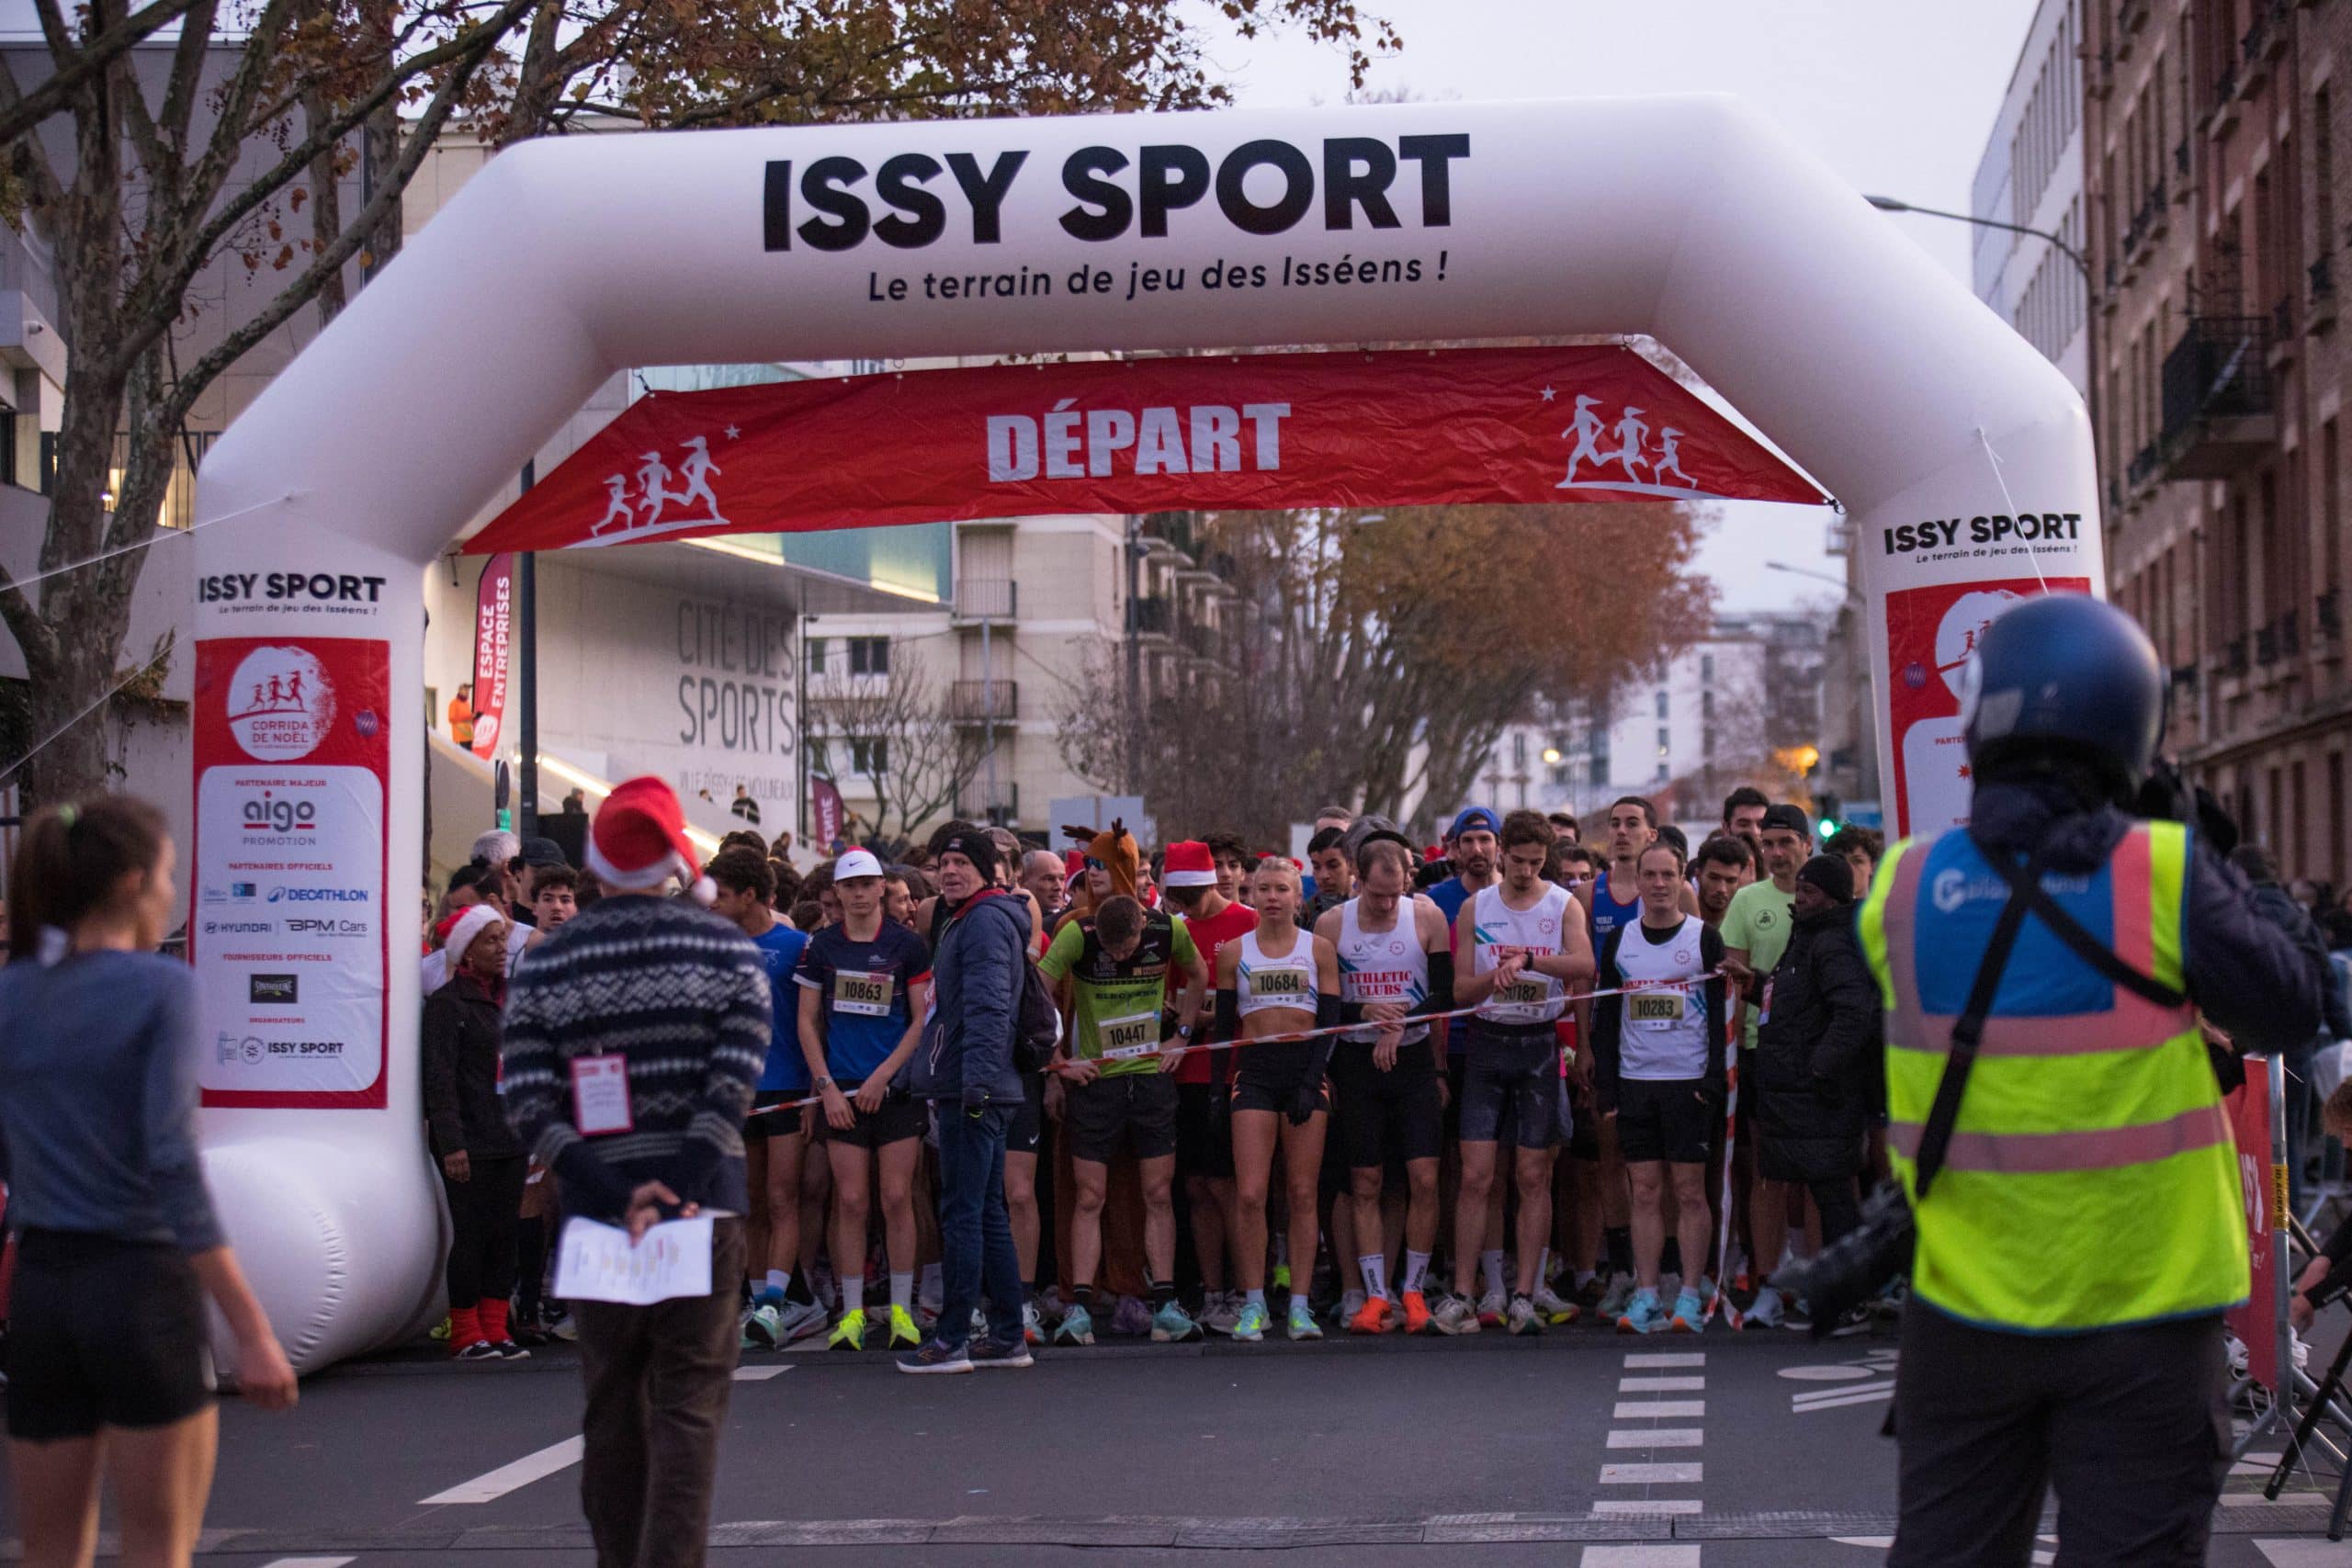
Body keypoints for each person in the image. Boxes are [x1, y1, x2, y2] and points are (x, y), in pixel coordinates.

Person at [1865, 594, 2318, 1568]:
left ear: (1978, 727)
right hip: (2145, 1325)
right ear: (2133, 730)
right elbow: (2290, 1002)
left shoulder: (1898, 889)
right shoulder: (2162, 873)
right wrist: (2214, 848)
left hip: (1961, 1318)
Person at [0, 799, 299, 1566]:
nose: (172, 890)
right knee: (157, 1545)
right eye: (169, 874)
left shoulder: (11, 994)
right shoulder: (161, 986)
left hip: (36, 1287)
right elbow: (170, 1160)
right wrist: (253, 1329)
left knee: (46, 1551)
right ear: (135, 882)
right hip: (137, 1284)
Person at [503, 776, 770, 1568]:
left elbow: (525, 1096)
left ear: (595, 862)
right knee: (688, 1407)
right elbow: (735, 1078)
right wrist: (682, 1182)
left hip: (596, 1210)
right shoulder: (726, 949)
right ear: (675, 858)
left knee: (612, 1405)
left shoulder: (548, 962)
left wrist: (610, 1185)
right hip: (701, 1207)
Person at [1438, 809, 1596, 1337]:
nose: (1526, 871)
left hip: (1538, 1046)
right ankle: (1465, 1291)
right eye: (1519, 860)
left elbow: (1585, 966)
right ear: (1502, 851)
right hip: (1488, 1043)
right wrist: (1493, 977)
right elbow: (1460, 991)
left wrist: (1529, 961)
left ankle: (1525, 1293)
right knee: (1477, 1176)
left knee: (1534, 1175)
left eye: (1536, 862)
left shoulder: (1562, 903)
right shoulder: (1475, 906)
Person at [1038, 892, 1207, 1344]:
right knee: (1089, 1196)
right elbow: (1035, 988)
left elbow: (1198, 973)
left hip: (1151, 1078)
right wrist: (1058, 1059)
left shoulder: (1168, 929)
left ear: (1142, 929)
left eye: (1127, 949)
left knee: (1157, 1192)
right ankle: (1078, 1309)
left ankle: (1167, 1306)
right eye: (1111, 952)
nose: (1118, 956)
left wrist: (1183, 1036)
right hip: (1097, 1083)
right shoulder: (1077, 934)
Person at [900, 826, 1035, 1373]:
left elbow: (987, 1010)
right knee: (985, 1211)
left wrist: (975, 1086)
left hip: (974, 1088)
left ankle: (951, 1339)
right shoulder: (969, 918)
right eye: (942, 863)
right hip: (981, 1085)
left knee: (961, 1212)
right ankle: (1007, 1335)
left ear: (986, 869)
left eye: (960, 862)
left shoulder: (981, 922)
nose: (948, 871)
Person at [797, 850, 933, 1353]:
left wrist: (884, 1076)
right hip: (842, 1093)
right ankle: (851, 1313)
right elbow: (807, 1022)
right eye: (848, 887)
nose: (857, 894)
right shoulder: (821, 947)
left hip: (894, 1091)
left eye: (867, 885)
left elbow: (920, 1021)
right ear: (837, 894)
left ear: (882, 889)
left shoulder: (908, 946)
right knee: (850, 1201)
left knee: (898, 1197)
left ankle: (902, 1309)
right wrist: (827, 1086)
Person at [1317, 834, 1453, 1335]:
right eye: (1376, 895)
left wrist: (1399, 1024)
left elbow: (1443, 995)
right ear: (1358, 878)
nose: (1385, 904)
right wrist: (1364, 1013)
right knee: (1366, 1181)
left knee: (1423, 1178)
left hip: (1413, 1056)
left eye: (1394, 894)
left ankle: (1413, 1290)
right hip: (1357, 1062)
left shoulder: (1426, 917)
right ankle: (1375, 1295)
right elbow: (1325, 1005)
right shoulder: (1332, 924)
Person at [1591, 839, 1727, 1335]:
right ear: (1639, 882)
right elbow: (1606, 1016)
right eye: (1650, 875)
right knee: (1643, 1191)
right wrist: (1606, 1085)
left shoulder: (1702, 938)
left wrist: (1713, 1080)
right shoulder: (1621, 940)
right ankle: (1647, 1294)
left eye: (1669, 875)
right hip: (1636, 1081)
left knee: (1689, 1192)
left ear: (1682, 879)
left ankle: (1689, 1294)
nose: (1659, 884)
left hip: (1688, 1081)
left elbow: (1719, 1016)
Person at [1211, 857, 1340, 1342]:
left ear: (1297, 896)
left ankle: (1301, 1306)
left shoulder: (1319, 949)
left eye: (1281, 889)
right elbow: (1224, 1029)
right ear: (1251, 893)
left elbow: (1329, 1024)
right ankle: (1254, 1303)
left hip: (1305, 1071)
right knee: (1250, 1195)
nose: (1271, 897)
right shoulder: (1234, 952)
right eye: (1262, 888)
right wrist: (1215, 1094)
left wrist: (1313, 1081)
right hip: (1256, 1075)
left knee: (1303, 1194)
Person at [705, 849, 826, 1352]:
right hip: (735, 1092)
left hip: (787, 1090)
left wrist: (817, 1092)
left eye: (722, 896)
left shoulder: (798, 945)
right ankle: (760, 1302)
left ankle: (778, 1303)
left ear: (750, 895)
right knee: (749, 1201)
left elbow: (815, 1023)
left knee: (782, 1198)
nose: (712, 905)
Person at [1752, 855, 1875, 1296]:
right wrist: (1751, 983)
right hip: (1805, 1093)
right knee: (1828, 1193)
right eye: (1798, 889)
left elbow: (1855, 1012)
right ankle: (1849, 1291)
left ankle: (1852, 1295)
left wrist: (1820, 1066)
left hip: (1823, 1094)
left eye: (1809, 891)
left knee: (1834, 1197)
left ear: (1833, 897)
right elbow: (1794, 1003)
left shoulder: (1832, 942)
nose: (1799, 897)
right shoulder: (1807, 936)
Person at [424, 902, 530, 1359]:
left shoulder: (512, 1000)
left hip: (510, 1134)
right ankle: (465, 1329)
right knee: (470, 1234)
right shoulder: (448, 1005)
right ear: (466, 952)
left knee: (504, 1233)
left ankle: (495, 1325)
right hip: (468, 1139)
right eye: (491, 940)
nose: (502, 948)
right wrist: (452, 1144)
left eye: (503, 939)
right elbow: (439, 1077)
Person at [1161, 838, 1258, 1331]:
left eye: (1192, 894)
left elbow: (1262, 1001)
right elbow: (1170, 998)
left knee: (1229, 1188)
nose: (1186, 905)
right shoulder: (1176, 929)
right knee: (1197, 1187)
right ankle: (1213, 1293)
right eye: (1177, 896)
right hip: (1188, 1073)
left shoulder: (1249, 922)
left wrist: (1204, 1015)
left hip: (1236, 1070)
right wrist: (1182, 1020)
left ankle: (1248, 1294)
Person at [1720, 802, 1809, 1326]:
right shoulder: (1748, 901)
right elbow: (1733, 982)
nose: (1776, 853)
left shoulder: (1834, 897)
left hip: (1817, 1057)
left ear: (1806, 845)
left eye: (1785, 843)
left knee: (1820, 1177)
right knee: (1767, 1175)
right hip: (1760, 1053)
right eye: (1769, 844)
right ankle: (1769, 1280)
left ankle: (1819, 1276)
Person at [2231, 841, 2352, 1218]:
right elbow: (2326, 980)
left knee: (2243, 1136)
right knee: (2289, 1139)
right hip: (2295, 1040)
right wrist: (2344, 1028)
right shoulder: (2300, 920)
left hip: (2241, 1039)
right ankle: (2288, 1223)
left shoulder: (2232, 912)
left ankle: (2253, 1226)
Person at [1690, 835, 1750, 930]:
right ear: (1698, 876)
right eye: (1714, 878)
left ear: (1739, 881)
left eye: (1731, 881)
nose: (1721, 889)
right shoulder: (1678, 921)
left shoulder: (1747, 926)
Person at [1825, 825, 1883, 895]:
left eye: (1857, 861)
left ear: (1871, 866)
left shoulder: (1890, 905)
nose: (1849, 868)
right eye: (1841, 861)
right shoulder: (1818, 905)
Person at [1721, 785, 1768, 866]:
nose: (1755, 832)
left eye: (1761, 825)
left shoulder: (1780, 872)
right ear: (1726, 828)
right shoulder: (1711, 868)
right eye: (1744, 825)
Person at [530, 863, 581, 933]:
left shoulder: (594, 943)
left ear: (577, 909)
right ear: (534, 908)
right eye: (548, 899)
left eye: (565, 901)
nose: (557, 907)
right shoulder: (515, 943)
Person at [448, 682, 476, 746]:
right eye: (466, 690)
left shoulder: (467, 704)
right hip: (459, 738)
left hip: (469, 737)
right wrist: (465, 719)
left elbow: (468, 718)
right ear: (460, 691)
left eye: (469, 690)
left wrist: (475, 716)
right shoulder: (453, 703)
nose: (468, 692)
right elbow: (451, 719)